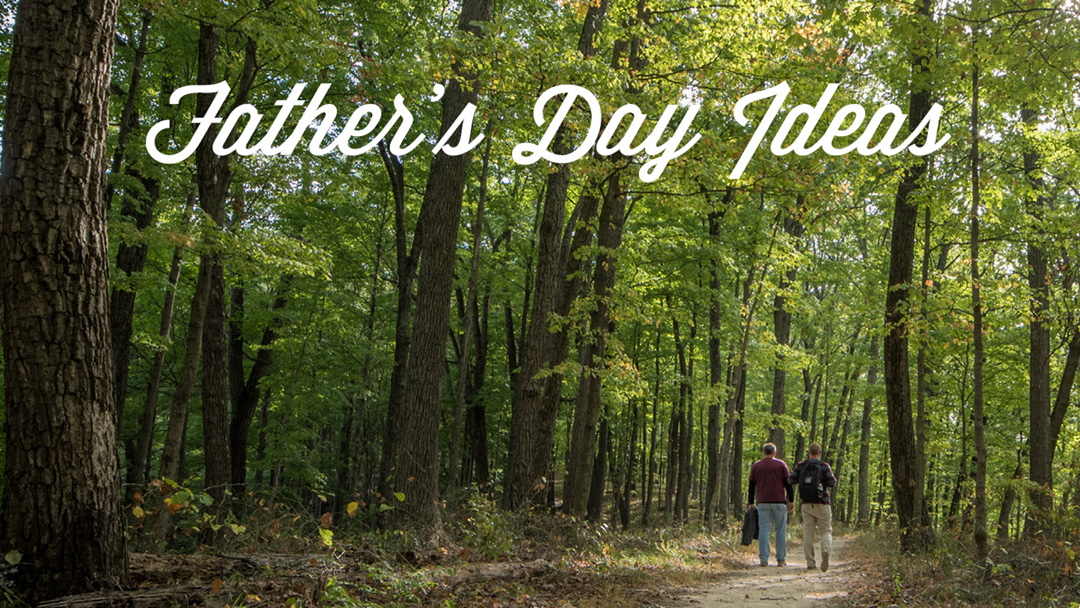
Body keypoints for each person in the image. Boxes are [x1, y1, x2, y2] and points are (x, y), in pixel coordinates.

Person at [788, 442, 837, 572]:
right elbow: (832, 483)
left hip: (806, 503)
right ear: (819, 453)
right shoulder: (824, 466)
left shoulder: (801, 465)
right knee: (826, 531)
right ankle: (825, 550)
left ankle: (810, 562)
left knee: (808, 532)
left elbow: (790, 480)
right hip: (823, 503)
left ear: (808, 452)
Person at [748, 442, 794, 567]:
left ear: (764, 452)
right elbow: (788, 484)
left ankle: (764, 559)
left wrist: (750, 502)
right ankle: (781, 559)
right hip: (779, 502)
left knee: (764, 530)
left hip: (763, 502)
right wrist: (791, 500)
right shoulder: (781, 465)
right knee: (780, 531)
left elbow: (751, 485)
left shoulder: (756, 466)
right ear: (774, 453)